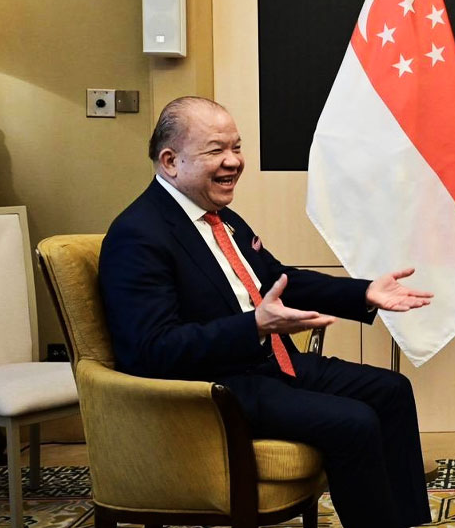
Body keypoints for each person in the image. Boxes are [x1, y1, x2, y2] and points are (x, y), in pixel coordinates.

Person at [99, 96, 433, 528]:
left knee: (391, 390)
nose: (233, 161)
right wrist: (253, 326)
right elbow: (152, 350)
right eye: (216, 150)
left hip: (268, 363)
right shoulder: (138, 235)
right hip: (214, 386)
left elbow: (276, 278)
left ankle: (406, 522)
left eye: (236, 147)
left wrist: (364, 292)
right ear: (170, 161)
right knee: (354, 421)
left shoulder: (222, 218)